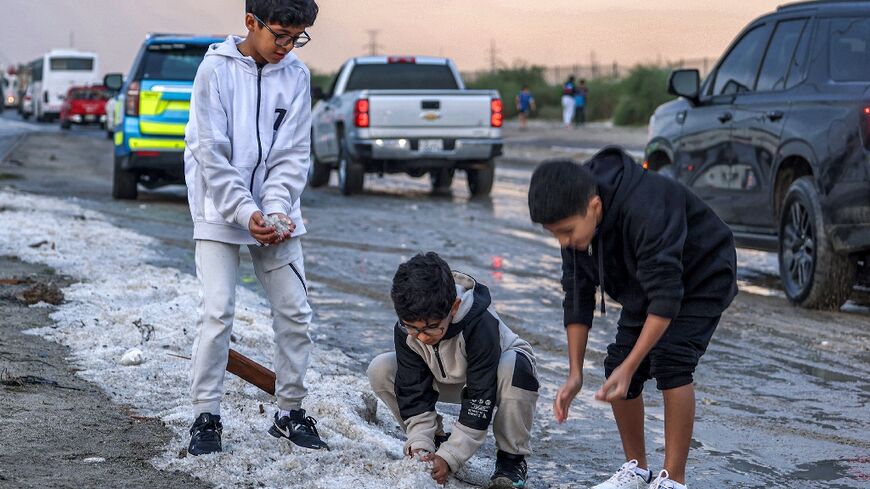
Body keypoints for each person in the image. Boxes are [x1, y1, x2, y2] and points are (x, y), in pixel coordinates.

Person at [527, 148, 738, 489]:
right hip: (647, 279)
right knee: (617, 365)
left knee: (672, 360)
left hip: (703, 273)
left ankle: (674, 479)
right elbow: (578, 294)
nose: (564, 242)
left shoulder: (647, 205)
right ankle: (637, 470)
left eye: (567, 232)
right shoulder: (575, 214)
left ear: (594, 206)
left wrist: (632, 366)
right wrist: (575, 374)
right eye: (556, 235)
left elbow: (666, 297)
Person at [183, 0, 328, 456]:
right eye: (281, 35)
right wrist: (247, 213)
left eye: (298, 37)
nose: (288, 46)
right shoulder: (215, 72)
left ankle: (289, 412)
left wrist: (277, 211)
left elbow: (292, 155)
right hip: (218, 210)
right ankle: (206, 416)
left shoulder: (297, 76)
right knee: (217, 312)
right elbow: (212, 156)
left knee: (295, 311)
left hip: (277, 216)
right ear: (251, 22)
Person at [367, 252, 540, 488]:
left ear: (454, 307)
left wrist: (452, 457)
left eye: (431, 328)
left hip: (496, 378)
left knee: (514, 366)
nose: (422, 337)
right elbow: (412, 390)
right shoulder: (408, 329)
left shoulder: (480, 323)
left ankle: (511, 460)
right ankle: (435, 440)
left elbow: (480, 398)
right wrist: (420, 445)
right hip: (445, 378)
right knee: (381, 368)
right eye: (413, 328)